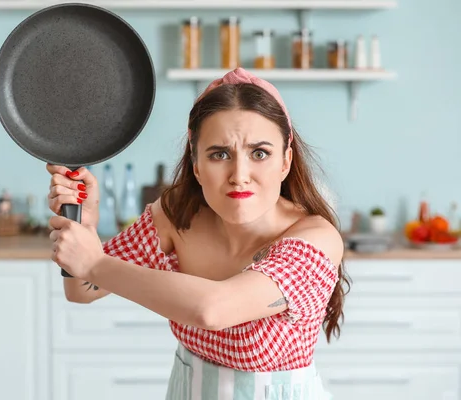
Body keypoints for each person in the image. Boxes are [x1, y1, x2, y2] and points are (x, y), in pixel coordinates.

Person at [46, 67, 349, 400]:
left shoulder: (315, 241)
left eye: (259, 153)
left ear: (285, 162)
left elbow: (212, 310)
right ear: (196, 164)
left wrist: (95, 263)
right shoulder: (178, 214)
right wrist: (84, 228)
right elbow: (82, 289)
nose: (239, 175)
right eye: (220, 154)